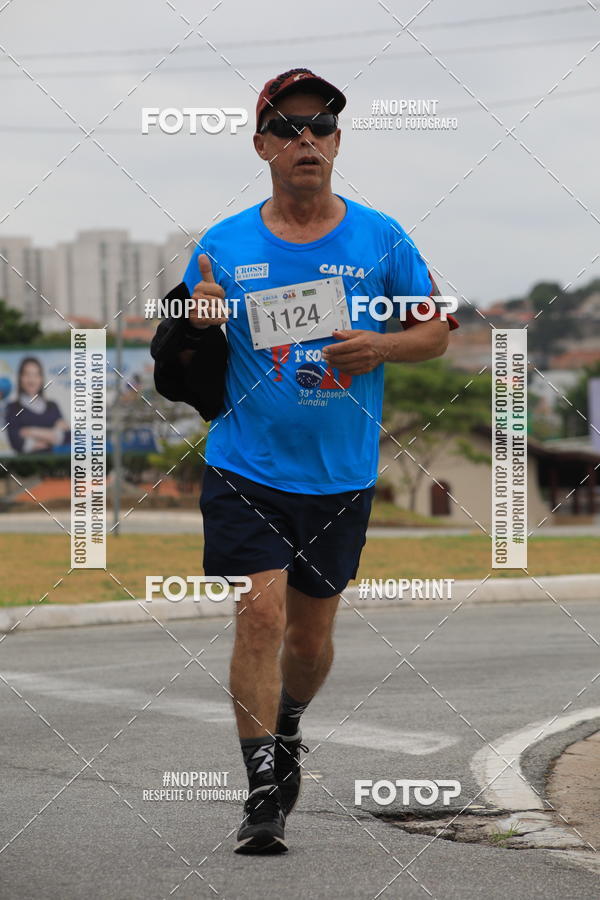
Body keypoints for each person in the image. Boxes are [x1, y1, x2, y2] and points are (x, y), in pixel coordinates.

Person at [179, 68, 459, 854]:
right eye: (291, 127)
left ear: (338, 142)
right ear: (263, 143)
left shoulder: (382, 238)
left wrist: (386, 344)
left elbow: (438, 331)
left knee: (308, 642)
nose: (309, 139)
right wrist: (198, 320)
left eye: (323, 126)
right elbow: (177, 356)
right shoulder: (222, 244)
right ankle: (261, 791)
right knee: (259, 614)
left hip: (340, 477)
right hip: (245, 466)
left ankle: (289, 722)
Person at [5, 356, 69, 454]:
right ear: (20, 378)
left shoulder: (52, 406)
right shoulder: (12, 408)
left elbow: (67, 437)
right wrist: (53, 435)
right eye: (27, 374)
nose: (32, 380)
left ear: (41, 378)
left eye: (36, 375)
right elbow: (17, 444)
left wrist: (30, 431)